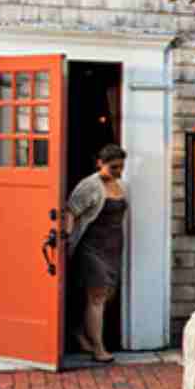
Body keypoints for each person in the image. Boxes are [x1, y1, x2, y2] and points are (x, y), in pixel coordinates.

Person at [66, 144, 127, 362]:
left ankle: (81, 333)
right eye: (113, 168)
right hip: (91, 248)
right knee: (97, 296)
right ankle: (98, 349)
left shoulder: (120, 185)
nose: (119, 172)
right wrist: (66, 236)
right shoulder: (89, 185)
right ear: (100, 163)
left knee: (107, 295)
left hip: (113, 247)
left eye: (121, 167)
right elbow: (71, 211)